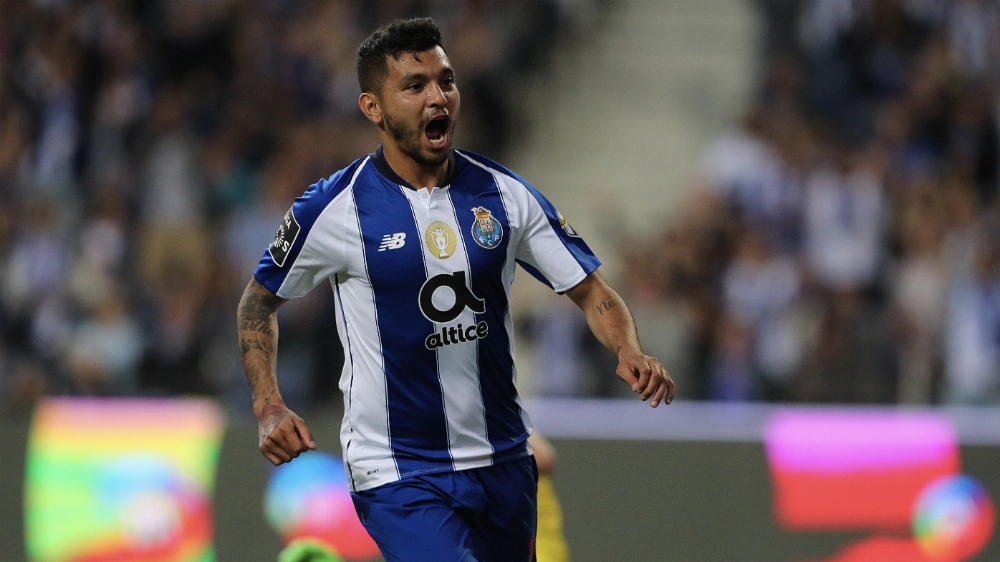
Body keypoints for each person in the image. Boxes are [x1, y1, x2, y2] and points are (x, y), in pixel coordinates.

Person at [237, 17, 674, 562]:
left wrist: (628, 348)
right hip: (398, 470)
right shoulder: (334, 208)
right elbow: (258, 301)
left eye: (445, 80)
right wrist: (268, 405)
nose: (437, 97)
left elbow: (592, 291)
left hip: (503, 462)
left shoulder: (505, 195)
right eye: (414, 86)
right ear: (373, 107)